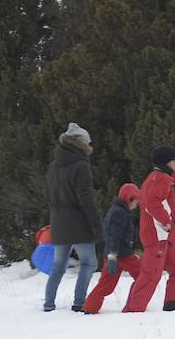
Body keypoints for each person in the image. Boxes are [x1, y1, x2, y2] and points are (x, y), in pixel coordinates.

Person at [43, 122, 104, 312]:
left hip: (58, 221)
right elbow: (86, 199)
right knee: (89, 263)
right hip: (78, 223)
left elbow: (50, 195)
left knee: (58, 265)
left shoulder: (54, 165)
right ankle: (79, 302)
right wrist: (97, 224)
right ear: (81, 143)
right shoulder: (81, 166)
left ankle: (48, 303)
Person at [122, 146, 175, 313]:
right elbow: (151, 203)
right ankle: (133, 311)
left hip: (165, 236)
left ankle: (172, 306)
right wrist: (166, 221)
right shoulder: (160, 178)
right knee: (151, 274)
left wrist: (173, 215)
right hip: (156, 236)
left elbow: (158, 202)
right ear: (168, 162)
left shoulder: (162, 178)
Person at [82, 183, 142, 314]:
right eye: (135, 201)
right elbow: (115, 236)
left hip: (115, 254)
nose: (136, 205)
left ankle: (89, 308)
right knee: (144, 275)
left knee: (106, 286)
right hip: (121, 255)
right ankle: (133, 306)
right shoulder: (119, 213)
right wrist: (113, 255)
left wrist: (112, 255)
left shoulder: (116, 210)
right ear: (129, 198)